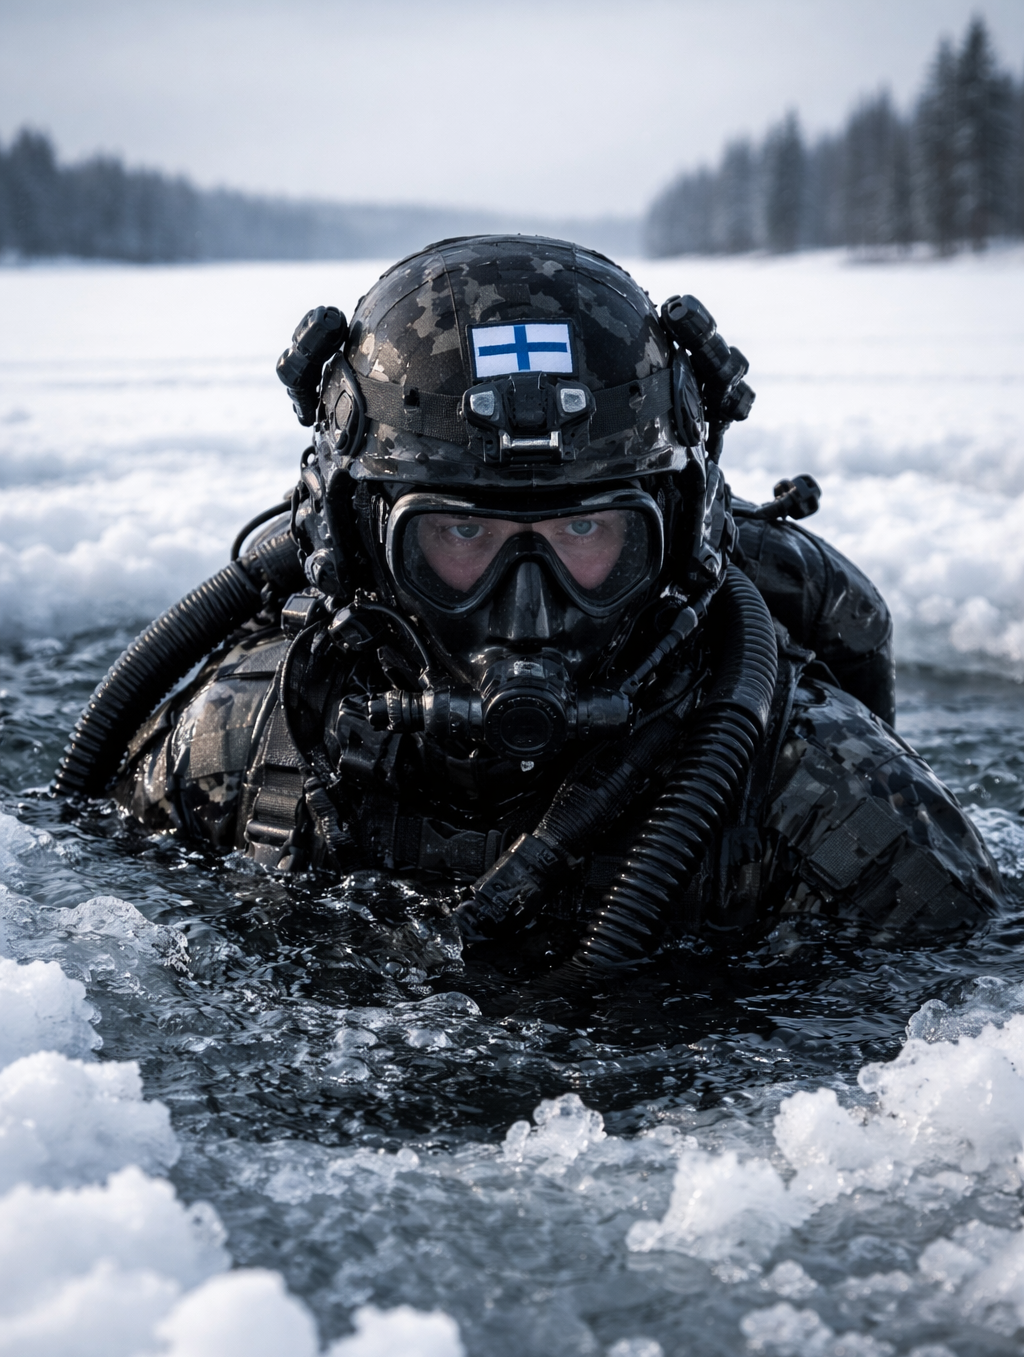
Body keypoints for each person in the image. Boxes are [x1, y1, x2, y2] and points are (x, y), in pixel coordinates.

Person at [72, 235, 998, 970]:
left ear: (680, 536)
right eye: (463, 537)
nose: (528, 608)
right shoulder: (238, 752)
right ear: (355, 543)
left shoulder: (822, 793)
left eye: (588, 536)